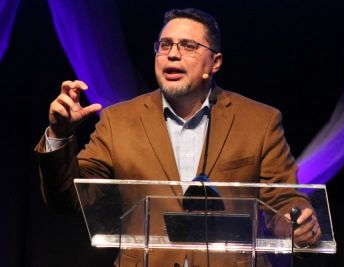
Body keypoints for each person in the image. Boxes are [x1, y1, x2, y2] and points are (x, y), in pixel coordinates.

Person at [35, 8, 321, 267]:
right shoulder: (118, 122)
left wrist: (296, 222)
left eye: (188, 46)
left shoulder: (260, 121)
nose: (172, 54)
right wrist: (60, 135)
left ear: (215, 62)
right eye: (165, 45)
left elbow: (283, 202)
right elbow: (69, 200)